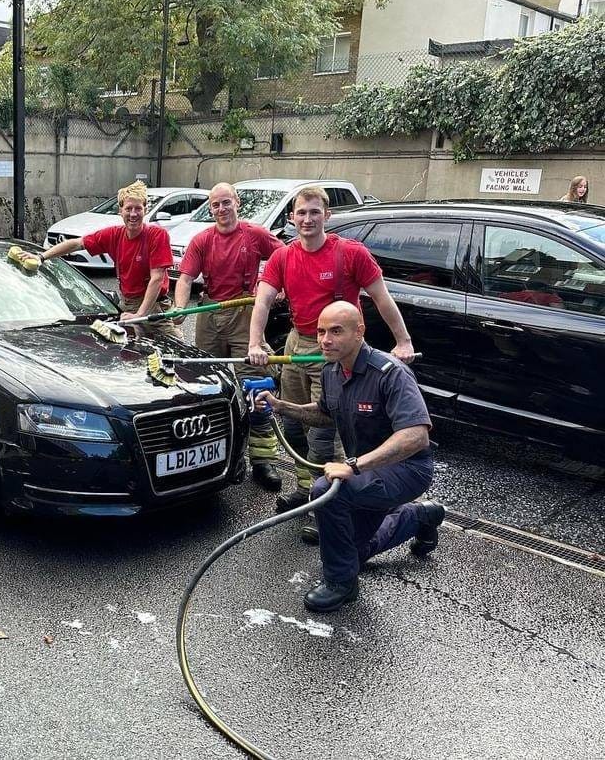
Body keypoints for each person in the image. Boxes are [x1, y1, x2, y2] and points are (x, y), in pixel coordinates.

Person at [257, 301, 443, 613]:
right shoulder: (332, 370)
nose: (325, 340)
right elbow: (325, 414)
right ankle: (422, 516)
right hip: (366, 472)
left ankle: (341, 583)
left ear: (360, 332)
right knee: (354, 550)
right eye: (320, 331)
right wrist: (280, 406)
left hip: (407, 468)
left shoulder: (390, 373)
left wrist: (353, 465)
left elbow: (416, 435)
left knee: (327, 492)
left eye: (335, 331)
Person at [247, 187, 415, 521]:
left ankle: (328, 504)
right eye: (301, 213)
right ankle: (305, 488)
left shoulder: (351, 254)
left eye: (314, 212)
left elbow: (382, 298)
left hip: (336, 351)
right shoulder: (283, 256)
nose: (307, 219)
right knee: (293, 423)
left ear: (327, 215)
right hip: (298, 344)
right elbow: (263, 301)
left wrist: (403, 341)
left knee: (323, 430)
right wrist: (256, 343)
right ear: (292, 218)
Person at [172, 182, 285, 491]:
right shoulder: (201, 240)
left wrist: (274, 285)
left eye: (226, 202)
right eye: (215, 205)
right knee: (206, 383)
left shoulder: (254, 234)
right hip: (210, 312)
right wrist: (180, 307)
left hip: (245, 310)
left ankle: (263, 460)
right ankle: (210, 452)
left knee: (256, 381)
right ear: (211, 209)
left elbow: (286, 257)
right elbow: (184, 278)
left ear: (237, 202)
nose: (221, 209)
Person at [22, 181, 183, 339]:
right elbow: (77, 244)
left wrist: (140, 314)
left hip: (153, 305)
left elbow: (157, 278)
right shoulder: (114, 234)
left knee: (178, 349)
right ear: (120, 211)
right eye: (128, 209)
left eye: (138, 208)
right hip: (127, 303)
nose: (133, 214)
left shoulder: (157, 235)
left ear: (145, 210)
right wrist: (41, 257)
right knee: (126, 350)